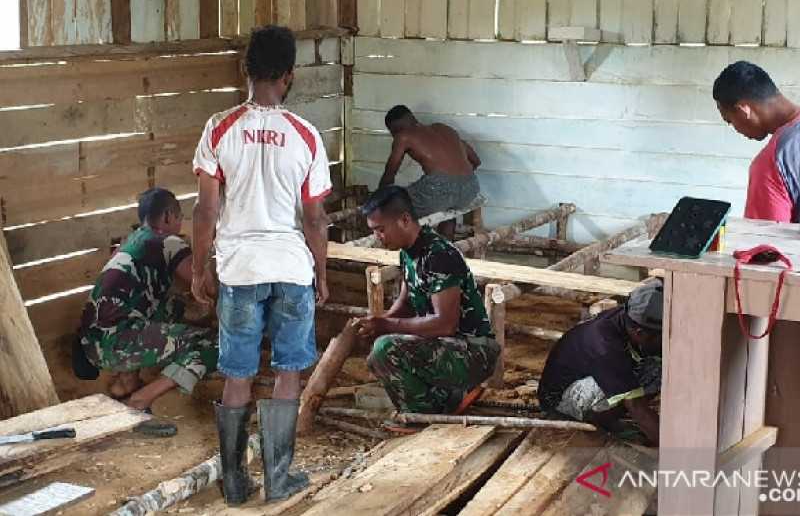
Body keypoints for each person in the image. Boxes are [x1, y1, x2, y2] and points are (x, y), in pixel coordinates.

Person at [191, 25, 331, 506]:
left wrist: (200, 267)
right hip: (292, 269)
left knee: (238, 374)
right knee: (289, 370)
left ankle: (234, 483)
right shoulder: (306, 137)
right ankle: (279, 479)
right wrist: (322, 274)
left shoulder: (219, 128)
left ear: (244, 70)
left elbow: (206, 211)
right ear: (289, 76)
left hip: (238, 271)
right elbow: (315, 218)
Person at [354, 186, 499, 424]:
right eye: (374, 231)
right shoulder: (408, 253)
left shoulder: (439, 255)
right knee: (378, 351)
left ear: (404, 220)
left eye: (381, 229)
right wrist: (377, 325)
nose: (377, 237)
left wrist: (387, 325)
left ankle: (426, 414)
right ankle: (447, 397)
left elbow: (444, 324)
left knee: (385, 349)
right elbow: (406, 304)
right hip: (448, 346)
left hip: (473, 351)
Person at [77, 188, 218, 415]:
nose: (180, 224)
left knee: (172, 307)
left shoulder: (130, 242)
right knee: (215, 344)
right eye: (180, 218)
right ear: (167, 217)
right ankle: (140, 400)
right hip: (114, 344)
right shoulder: (168, 242)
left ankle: (125, 383)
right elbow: (206, 287)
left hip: (92, 341)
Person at [537, 281, 663, 446]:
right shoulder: (606, 347)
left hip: (591, 373)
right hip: (559, 401)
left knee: (658, 368)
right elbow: (636, 405)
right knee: (637, 390)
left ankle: (611, 414)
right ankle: (601, 425)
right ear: (640, 333)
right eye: (660, 335)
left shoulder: (624, 318)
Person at [714, 61, 800, 222]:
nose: (735, 129)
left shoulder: (772, 162)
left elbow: (766, 243)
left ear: (743, 110)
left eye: (730, 121)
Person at [379, 105, 482, 239]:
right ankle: (446, 243)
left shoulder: (403, 136)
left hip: (439, 192)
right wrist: (456, 181)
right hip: (470, 187)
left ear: (395, 130)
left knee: (397, 204)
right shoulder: (444, 129)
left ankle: (408, 249)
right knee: (448, 207)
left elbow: (389, 174)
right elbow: (476, 161)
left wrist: (379, 200)